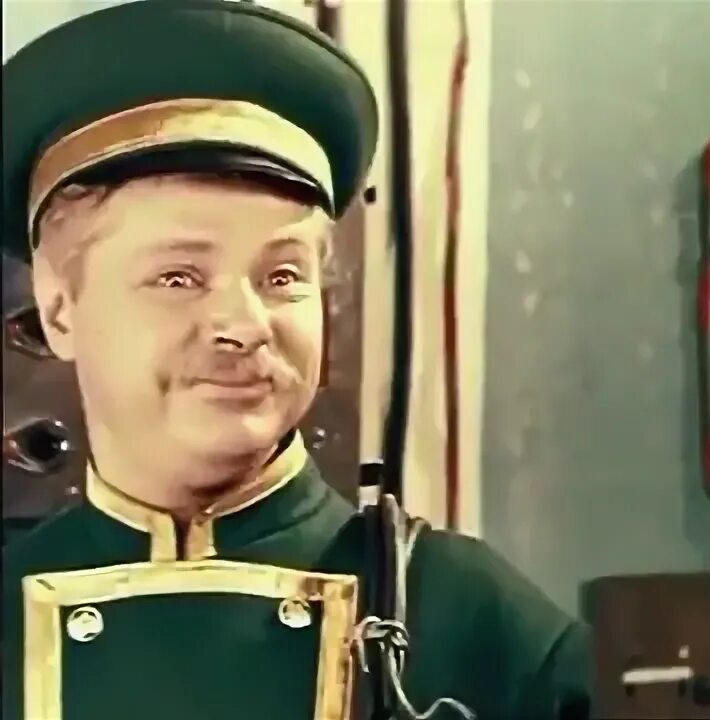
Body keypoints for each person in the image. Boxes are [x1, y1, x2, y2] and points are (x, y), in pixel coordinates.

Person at [0, 2, 591, 719]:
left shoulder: (470, 621)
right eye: (178, 277)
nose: (246, 325)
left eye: (282, 276)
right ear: (59, 308)